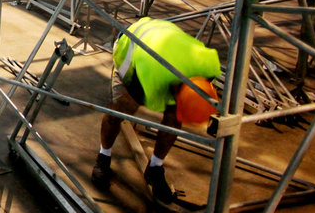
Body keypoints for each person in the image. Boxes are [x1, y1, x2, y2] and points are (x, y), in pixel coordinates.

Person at [91, 17, 221, 203]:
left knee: (174, 119)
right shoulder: (149, 73)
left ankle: (155, 168)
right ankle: (103, 156)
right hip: (132, 46)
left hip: (165, 41)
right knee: (120, 110)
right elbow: (143, 92)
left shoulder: (207, 66)